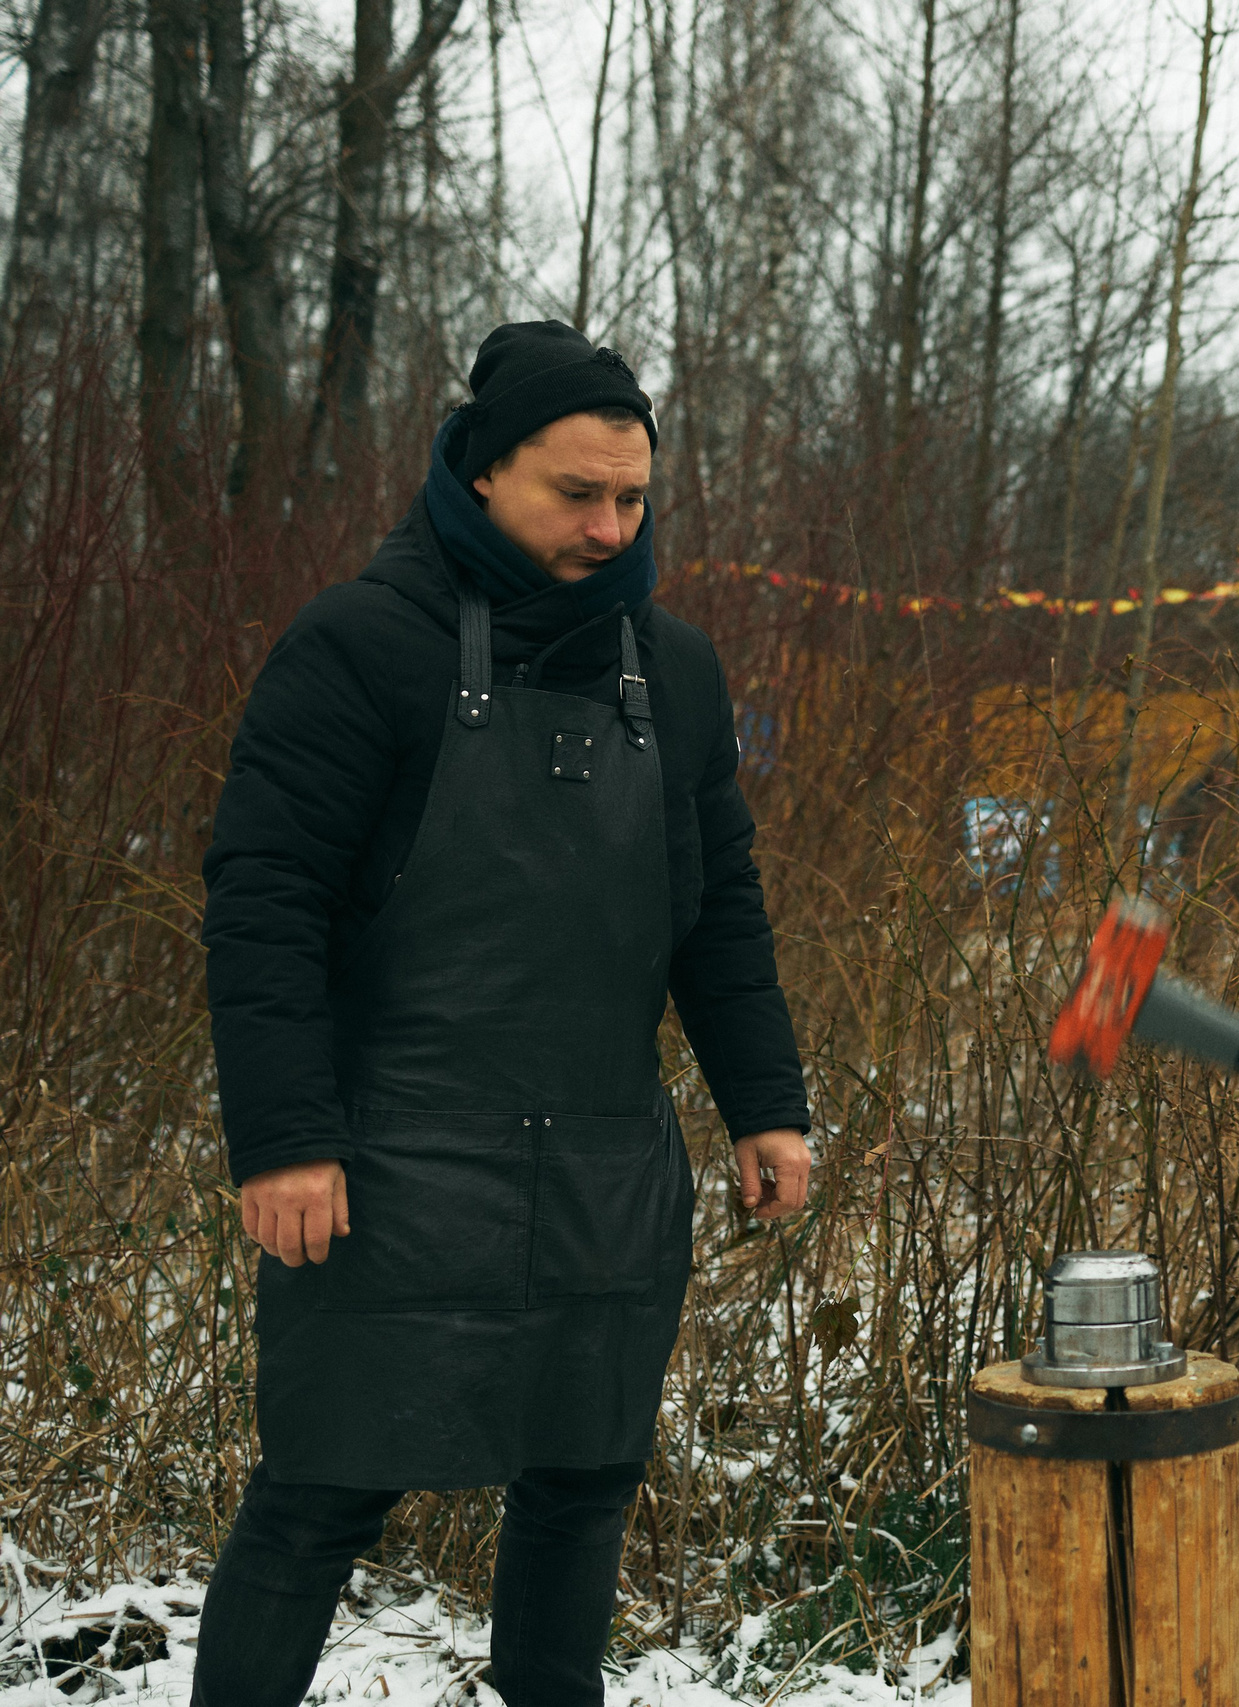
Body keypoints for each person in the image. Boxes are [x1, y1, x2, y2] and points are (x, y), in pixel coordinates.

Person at [196, 321, 813, 1707]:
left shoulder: (677, 670)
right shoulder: (362, 642)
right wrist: (285, 1138)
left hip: (603, 1160)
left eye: (633, 498)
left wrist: (766, 1103)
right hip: (390, 1161)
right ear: (481, 471)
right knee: (319, 1495)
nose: (611, 529)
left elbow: (718, 909)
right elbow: (265, 902)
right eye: (575, 494)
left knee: (581, 1485)